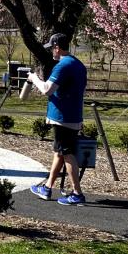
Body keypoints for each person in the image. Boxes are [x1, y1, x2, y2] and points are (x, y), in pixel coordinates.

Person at [27, 32, 88, 205]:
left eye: (52, 48)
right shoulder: (78, 65)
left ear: (57, 47)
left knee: (67, 153)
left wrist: (34, 78)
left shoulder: (63, 65)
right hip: (74, 115)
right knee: (59, 153)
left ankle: (77, 193)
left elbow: (47, 89)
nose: (51, 52)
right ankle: (47, 188)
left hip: (63, 118)